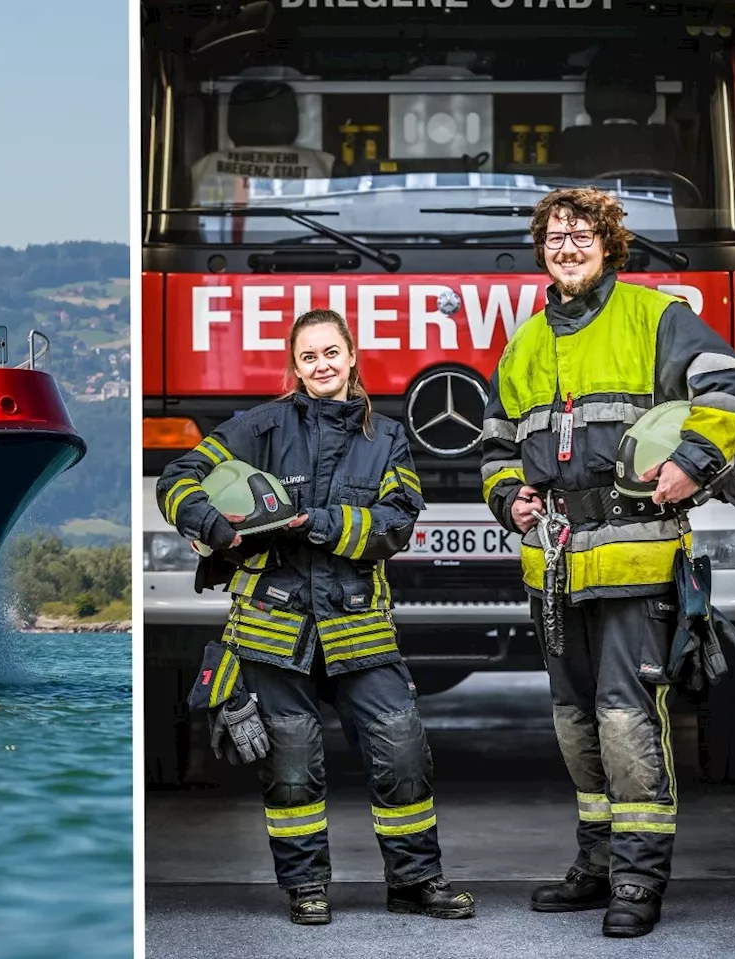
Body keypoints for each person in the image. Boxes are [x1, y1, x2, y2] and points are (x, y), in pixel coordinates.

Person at [480, 187, 735, 938]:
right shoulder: (525, 342)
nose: (566, 248)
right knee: (575, 722)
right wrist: (510, 499)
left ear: (609, 244)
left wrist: (695, 463)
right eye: (555, 237)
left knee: (625, 719)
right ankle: (597, 860)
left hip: (638, 558)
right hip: (557, 567)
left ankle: (638, 876)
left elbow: (733, 392)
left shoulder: (656, 317)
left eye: (581, 235)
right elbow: (498, 444)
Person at [156, 308, 475, 926]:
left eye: (332, 353)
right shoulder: (259, 427)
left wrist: (317, 524)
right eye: (309, 357)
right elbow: (178, 476)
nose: (321, 365)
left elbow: (396, 523)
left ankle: (415, 881)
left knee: (402, 747)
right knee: (292, 763)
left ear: (351, 357)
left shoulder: (386, 438)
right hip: (274, 628)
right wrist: (213, 527)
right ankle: (306, 887)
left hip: (357, 624)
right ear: (294, 366)